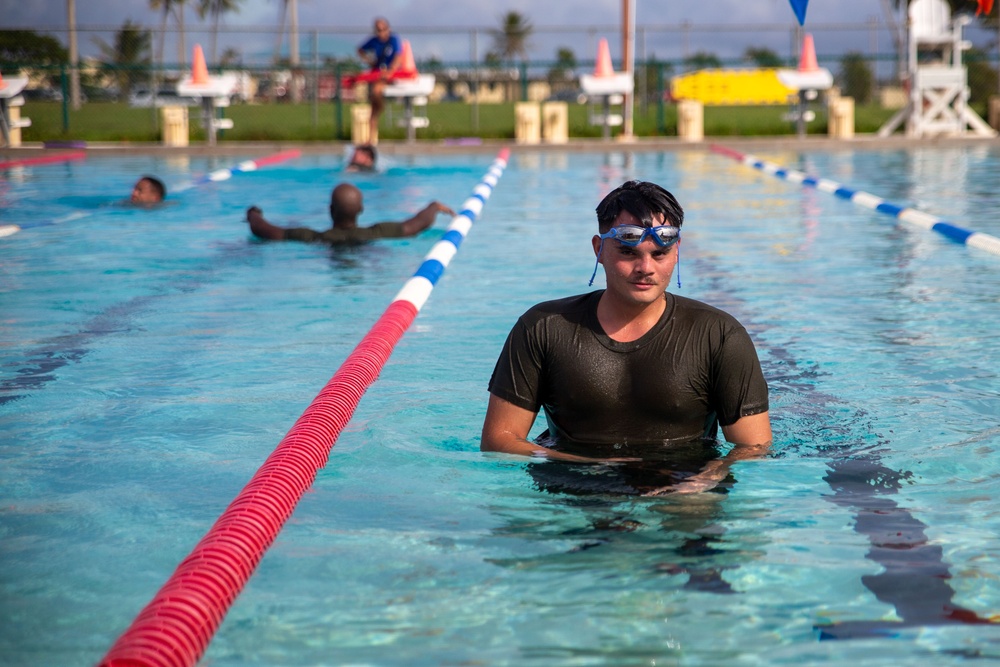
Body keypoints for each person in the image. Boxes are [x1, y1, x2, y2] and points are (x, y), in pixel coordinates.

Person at [481, 180, 772, 496]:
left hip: (685, 479)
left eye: (659, 253)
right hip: (576, 478)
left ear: (677, 252)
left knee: (691, 510)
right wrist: (583, 467)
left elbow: (753, 445)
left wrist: (707, 477)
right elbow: (499, 440)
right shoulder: (544, 327)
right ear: (598, 249)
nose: (645, 268)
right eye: (628, 252)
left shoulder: (719, 335)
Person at [245, 182, 454, 245]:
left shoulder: (313, 237)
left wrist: (254, 214)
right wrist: (434, 206)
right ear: (361, 210)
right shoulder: (376, 232)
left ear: (330, 210)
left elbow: (266, 230)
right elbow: (416, 225)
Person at [356, 17, 403, 143]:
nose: (381, 32)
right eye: (378, 30)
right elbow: (360, 50)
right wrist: (370, 62)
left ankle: (381, 106)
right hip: (379, 74)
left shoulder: (394, 40)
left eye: (383, 29)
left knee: (376, 92)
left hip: (391, 74)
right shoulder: (374, 41)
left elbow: (398, 57)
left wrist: (390, 72)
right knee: (373, 107)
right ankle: (370, 140)